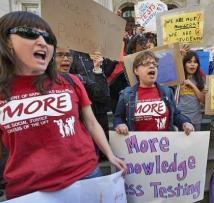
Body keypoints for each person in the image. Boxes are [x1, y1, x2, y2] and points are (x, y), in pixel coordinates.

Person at [0, 11, 126, 199]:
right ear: (6, 41)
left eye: (48, 37)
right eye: (30, 34)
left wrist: (110, 154)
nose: (43, 42)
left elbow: (91, 123)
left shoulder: (70, 81)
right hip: (29, 191)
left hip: (86, 176)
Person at [113, 51, 194, 135]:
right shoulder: (126, 94)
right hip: (139, 145)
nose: (152, 66)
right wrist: (119, 124)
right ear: (136, 70)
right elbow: (118, 117)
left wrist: (185, 122)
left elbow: (176, 115)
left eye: (154, 64)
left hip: (164, 144)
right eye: (146, 64)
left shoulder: (167, 92)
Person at [177, 51, 205, 131]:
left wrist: (193, 86)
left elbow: (203, 100)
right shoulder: (179, 78)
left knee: (195, 143)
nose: (192, 64)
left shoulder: (201, 79)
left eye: (195, 62)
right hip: (181, 119)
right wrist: (181, 55)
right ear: (184, 64)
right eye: (189, 62)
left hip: (195, 119)